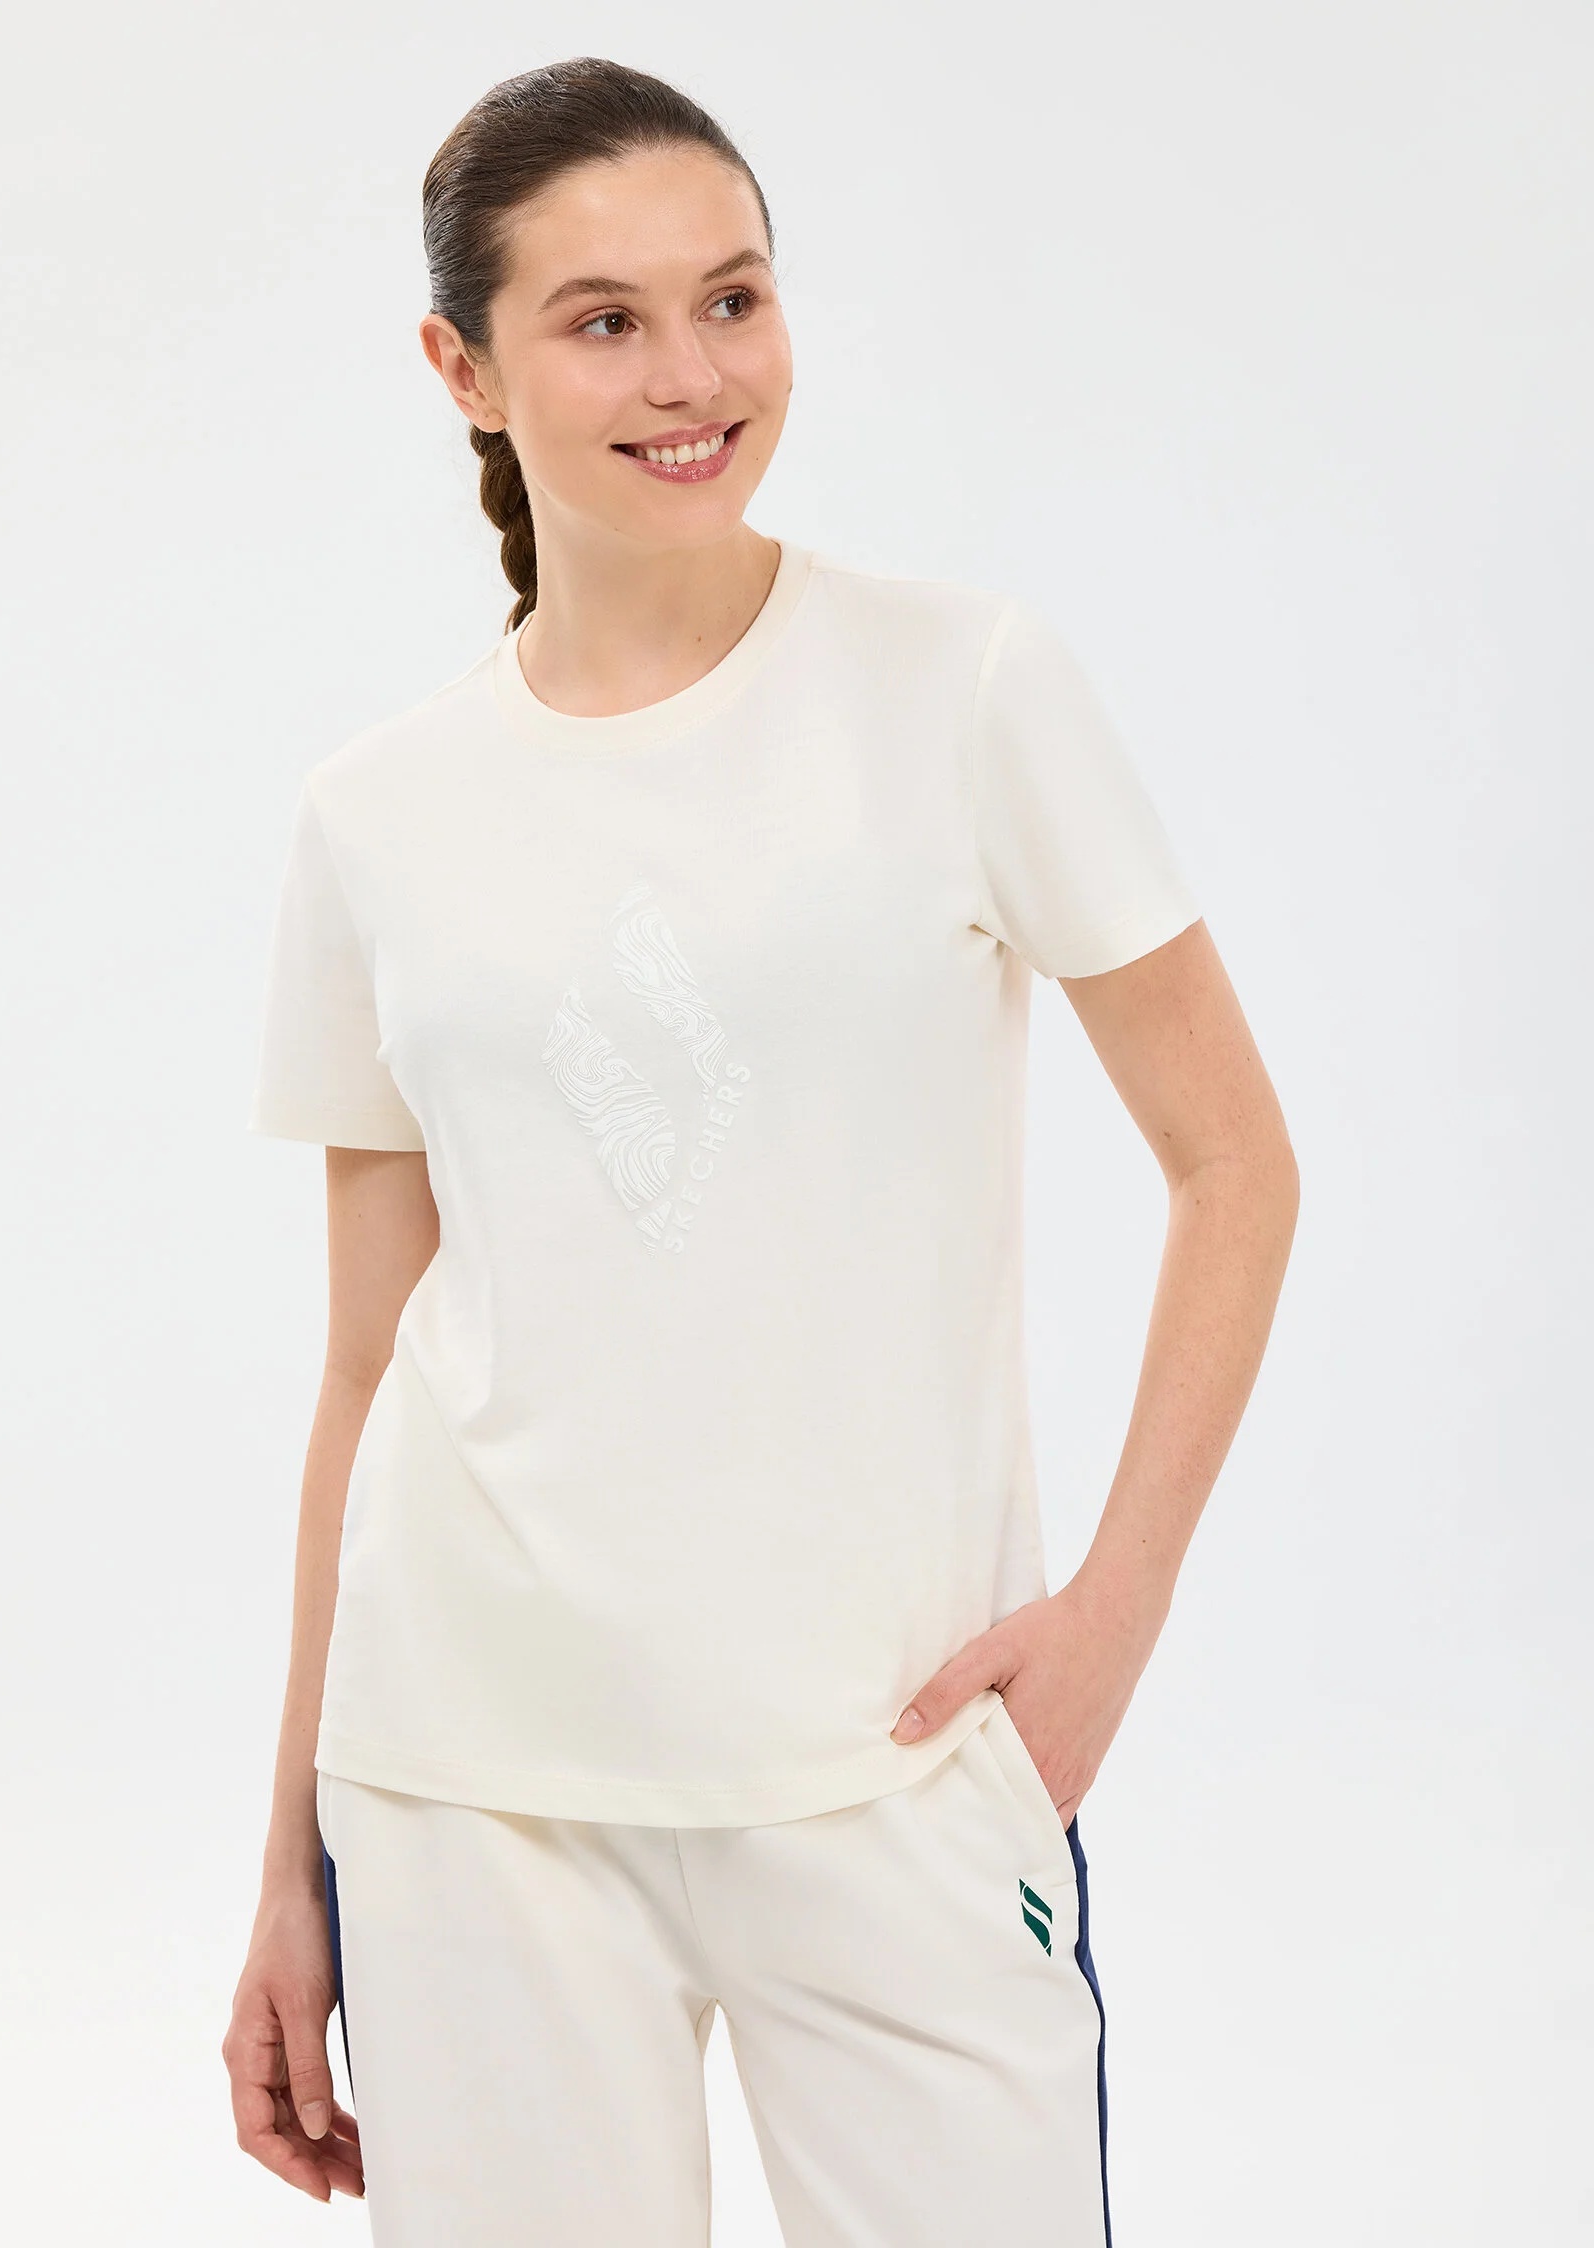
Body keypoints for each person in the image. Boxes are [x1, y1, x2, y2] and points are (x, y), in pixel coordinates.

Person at [221, 54, 1299, 2248]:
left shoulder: (961, 686)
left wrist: (1108, 1619)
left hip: (895, 1759)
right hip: (472, 1787)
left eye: (734, 297)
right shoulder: (377, 815)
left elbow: (1234, 1166)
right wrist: (289, 1867)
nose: (693, 374)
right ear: (462, 369)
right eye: (603, 321)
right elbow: (363, 1365)